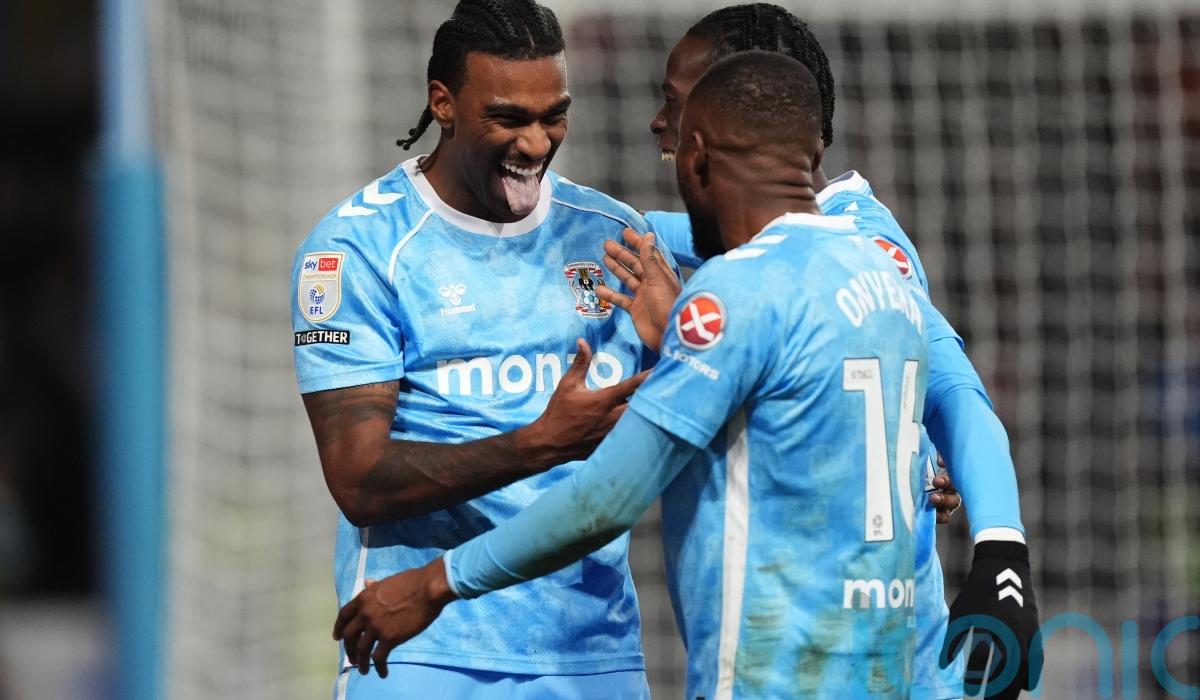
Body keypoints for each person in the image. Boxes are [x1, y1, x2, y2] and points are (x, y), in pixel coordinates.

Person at [334, 51, 933, 699]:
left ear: (696, 157)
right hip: (887, 666)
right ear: (813, 154)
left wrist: (435, 582)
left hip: (773, 673)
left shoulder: (734, 292)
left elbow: (606, 498)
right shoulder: (884, 277)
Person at [635, 5, 1040, 698]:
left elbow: (956, 395)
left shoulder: (863, 247)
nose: (657, 122)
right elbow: (636, 228)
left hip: (870, 664)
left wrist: (1002, 553)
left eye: (676, 100)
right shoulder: (751, 243)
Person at [290, 1, 677, 697]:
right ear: (443, 102)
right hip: (421, 648)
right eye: (508, 118)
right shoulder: (358, 249)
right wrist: (538, 444)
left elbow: (704, 414)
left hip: (592, 652)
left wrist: (674, 341)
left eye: (553, 116)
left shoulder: (615, 238)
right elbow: (358, 480)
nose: (535, 142)